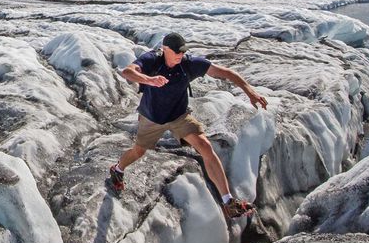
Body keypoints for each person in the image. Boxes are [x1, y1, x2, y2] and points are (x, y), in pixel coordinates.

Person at [109, 32, 268, 219]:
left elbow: (225, 72)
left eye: (182, 51)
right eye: (176, 52)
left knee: (205, 147)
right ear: (165, 50)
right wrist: (150, 80)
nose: (180, 55)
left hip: (179, 116)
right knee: (138, 151)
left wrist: (249, 91)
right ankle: (118, 169)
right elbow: (128, 71)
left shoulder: (189, 64)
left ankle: (228, 202)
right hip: (152, 118)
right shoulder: (153, 60)